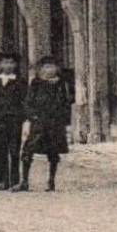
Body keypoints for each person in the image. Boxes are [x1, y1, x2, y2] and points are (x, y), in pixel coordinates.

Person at [19, 55, 73, 191]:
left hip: (55, 124)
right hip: (39, 122)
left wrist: (64, 120)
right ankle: (24, 181)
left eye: (52, 66)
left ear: (57, 69)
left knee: (53, 152)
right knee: (28, 150)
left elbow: (67, 102)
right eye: (46, 66)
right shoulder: (36, 83)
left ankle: (51, 181)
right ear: (41, 69)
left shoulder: (62, 84)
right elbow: (28, 102)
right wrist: (33, 117)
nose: (49, 69)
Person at [0, 52, 27, 190]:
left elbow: (25, 101)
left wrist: (22, 117)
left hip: (14, 120)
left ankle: (15, 180)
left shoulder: (20, 82)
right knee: (0, 149)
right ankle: (2, 180)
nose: (8, 66)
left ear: (15, 65)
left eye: (11, 63)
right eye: (4, 63)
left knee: (14, 150)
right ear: (0, 65)